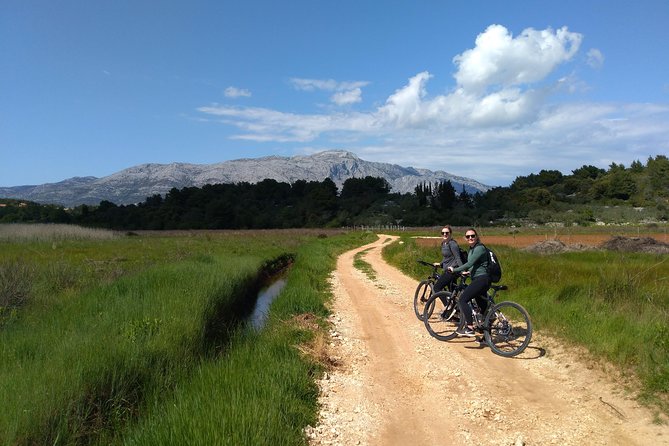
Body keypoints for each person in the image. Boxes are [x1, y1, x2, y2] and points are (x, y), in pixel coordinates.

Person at [447, 228, 491, 337]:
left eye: (472, 236)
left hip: (482, 279)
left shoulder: (479, 248)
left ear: (476, 236)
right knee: (483, 309)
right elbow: (476, 265)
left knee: (462, 299)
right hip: (480, 279)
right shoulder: (472, 249)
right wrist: (468, 272)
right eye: (468, 236)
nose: (470, 238)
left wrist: (455, 269)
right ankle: (486, 336)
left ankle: (469, 327)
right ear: (465, 238)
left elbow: (469, 263)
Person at [432, 225, 463, 293]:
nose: (445, 234)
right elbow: (446, 258)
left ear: (450, 233)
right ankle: (454, 303)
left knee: (436, 288)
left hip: (452, 270)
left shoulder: (452, 244)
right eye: (443, 233)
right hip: (447, 269)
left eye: (447, 233)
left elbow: (458, 258)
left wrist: (462, 270)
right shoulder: (443, 243)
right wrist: (440, 263)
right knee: (451, 291)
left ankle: (446, 304)